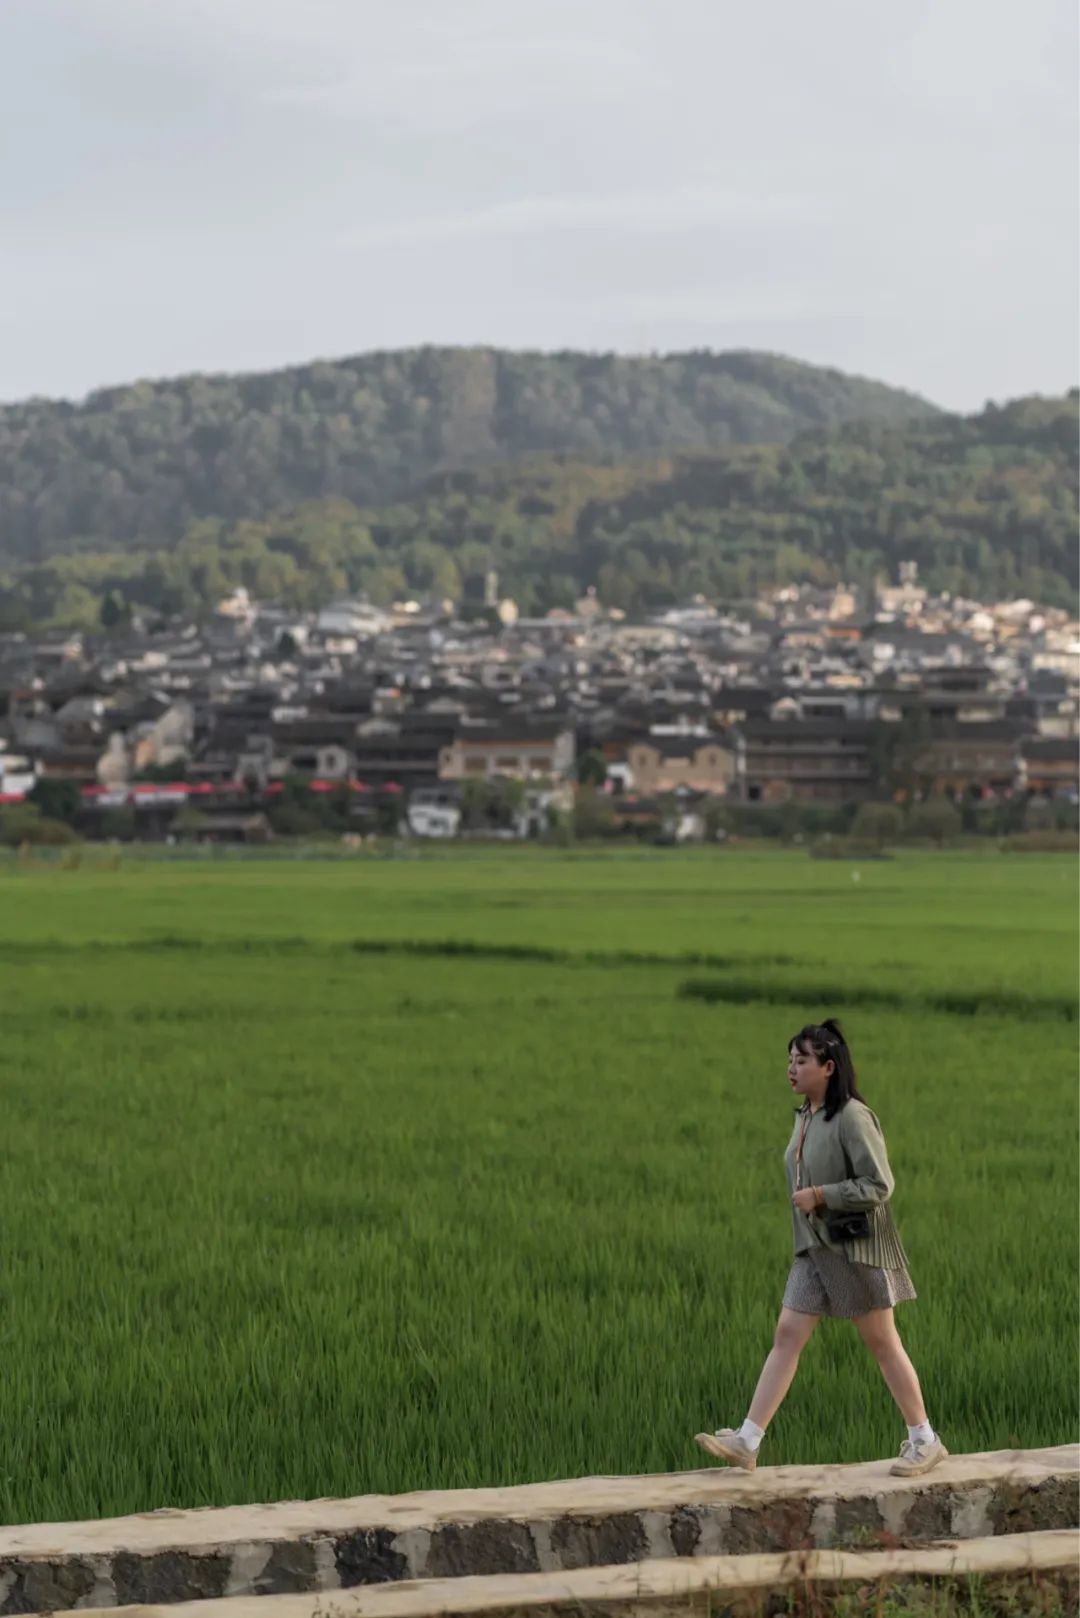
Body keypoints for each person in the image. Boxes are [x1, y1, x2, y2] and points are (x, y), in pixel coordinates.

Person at [694, 1018, 947, 1477]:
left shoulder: (852, 1116)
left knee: (882, 1342)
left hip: (854, 1248)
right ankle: (749, 1439)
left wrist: (823, 1195)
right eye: (789, 1060)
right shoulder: (806, 1117)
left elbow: (879, 1183)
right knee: (788, 1334)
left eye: (802, 1060)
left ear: (828, 1067)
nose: (791, 1068)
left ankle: (925, 1439)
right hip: (814, 1249)